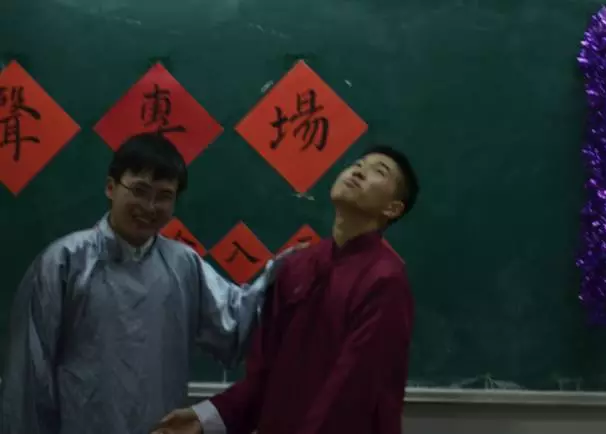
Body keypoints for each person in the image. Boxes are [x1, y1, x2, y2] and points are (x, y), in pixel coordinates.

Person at [0, 133, 290, 434]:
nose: (150, 206)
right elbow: (28, 378)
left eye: (164, 196)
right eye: (139, 191)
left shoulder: (183, 265)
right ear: (111, 187)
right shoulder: (63, 263)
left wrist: (287, 270)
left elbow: (237, 322)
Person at [154, 145, 419, 434]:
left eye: (379, 171)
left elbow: (352, 391)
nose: (359, 170)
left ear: (393, 209)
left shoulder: (385, 279)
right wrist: (205, 418)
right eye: (358, 163)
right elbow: (264, 374)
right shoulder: (297, 266)